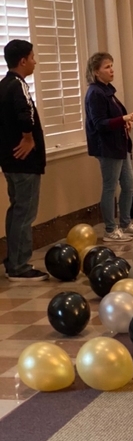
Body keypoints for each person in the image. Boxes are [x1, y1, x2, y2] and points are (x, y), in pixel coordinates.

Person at [84, 53, 133, 244]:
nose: (112, 70)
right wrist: (123, 119)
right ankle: (110, 229)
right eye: (107, 67)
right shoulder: (95, 93)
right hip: (107, 147)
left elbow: (115, 116)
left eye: (111, 65)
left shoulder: (108, 90)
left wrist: (125, 122)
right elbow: (100, 123)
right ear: (96, 72)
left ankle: (125, 223)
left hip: (120, 145)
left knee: (128, 184)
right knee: (110, 187)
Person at [0, 39, 47, 282]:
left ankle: (13, 261)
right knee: (25, 213)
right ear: (22, 61)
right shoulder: (18, 85)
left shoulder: (3, 85)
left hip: (10, 161)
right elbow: (25, 113)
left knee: (17, 210)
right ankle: (19, 266)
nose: (34, 62)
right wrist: (28, 137)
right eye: (32, 57)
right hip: (24, 162)